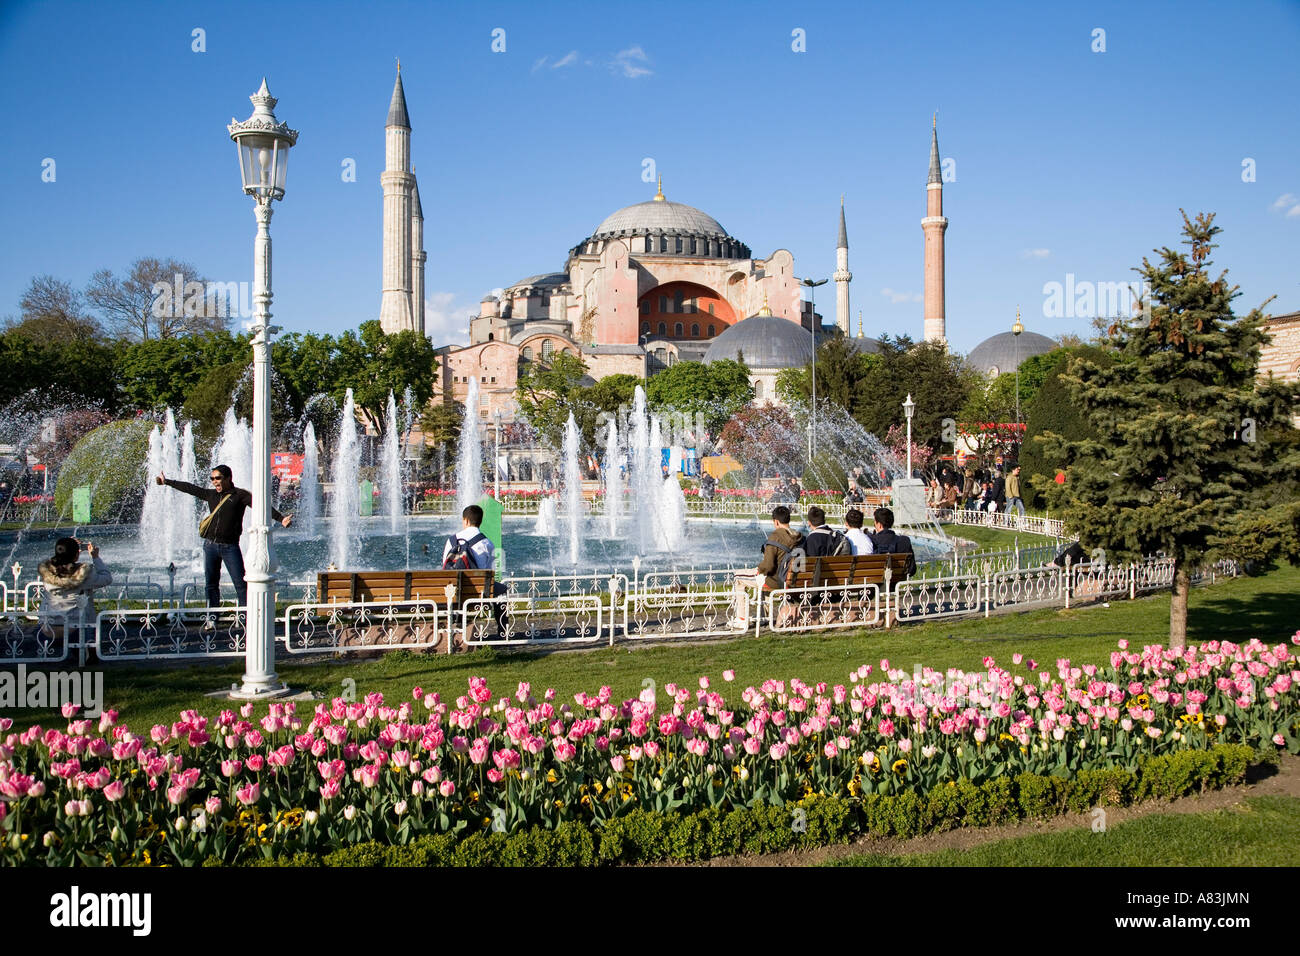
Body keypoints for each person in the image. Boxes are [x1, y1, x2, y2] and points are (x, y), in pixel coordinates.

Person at [156, 465, 292, 614]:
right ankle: (212, 616)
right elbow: (190, 488)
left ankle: (246, 615)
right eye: (212, 479)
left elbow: (260, 506)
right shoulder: (211, 495)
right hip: (210, 546)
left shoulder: (239, 495)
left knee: (240, 583)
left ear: (228, 478)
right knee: (211, 584)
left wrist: (281, 518)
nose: (215, 482)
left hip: (230, 547)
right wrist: (167, 481)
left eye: (218, 478)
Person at [730, 505, 805, 627]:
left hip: (776, 581)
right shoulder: (800, 537)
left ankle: (742, 618)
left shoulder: (776, 536)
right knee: (762, 577)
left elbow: (768, 566)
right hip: (792, 580)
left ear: (776, 521)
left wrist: (759, 569)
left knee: (738, 577)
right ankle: (763, 616)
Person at [37, 537, 113, 634]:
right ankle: (89, 649)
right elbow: (107, 578)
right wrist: (95, 557)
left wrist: (65, 546)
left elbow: (58, 561)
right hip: (75, 629)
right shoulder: (83, 576)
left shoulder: (47, 574)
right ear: (76, 555)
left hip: (47, 629)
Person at [868, 507, 916, 579]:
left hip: (875, 582)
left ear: (879, 525)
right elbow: (912, 569)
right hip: (897, 580)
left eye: (874, 523)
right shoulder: (904, 541)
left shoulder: (871, 541)